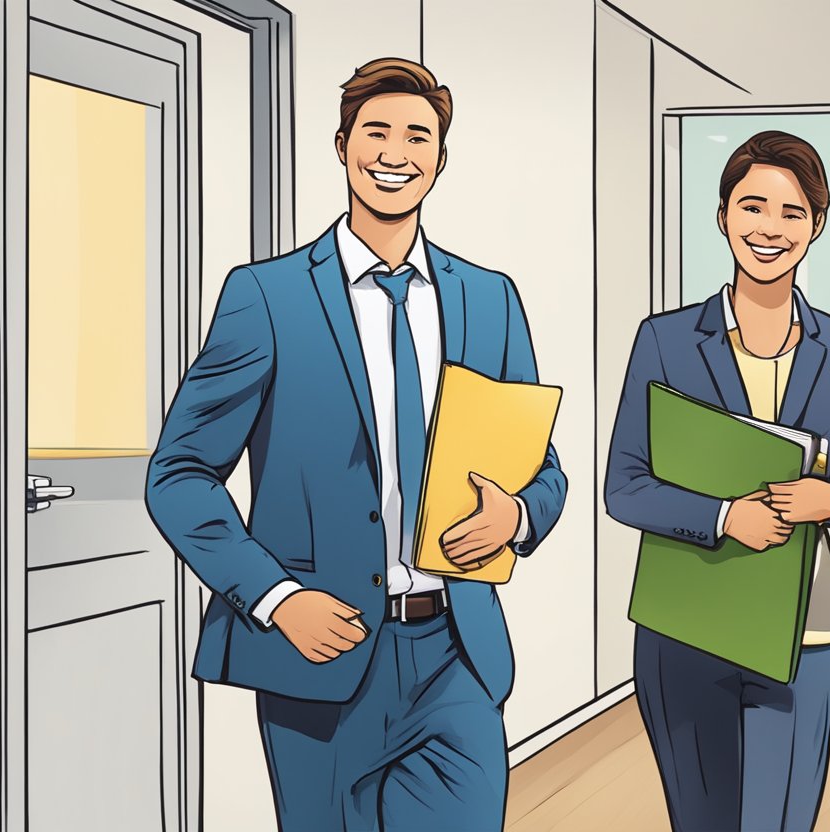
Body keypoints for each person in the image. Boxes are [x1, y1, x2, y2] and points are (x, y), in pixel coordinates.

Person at [145, 57, 566, 831]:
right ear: (342, 146)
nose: (395, 152)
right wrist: (276, 599)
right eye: (376, 132)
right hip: (320, 654)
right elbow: (180, 473)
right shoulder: (265, 296)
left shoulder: (490, 298)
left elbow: (544, 469)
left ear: (441, 159)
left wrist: (519, 517)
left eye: (417, 135)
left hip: (456, 654)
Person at [605, 130, 830, 831]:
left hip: (802, 638)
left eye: (792, 213)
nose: (770, 229)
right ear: (723, 215)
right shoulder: (664, 340)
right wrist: (725, 516)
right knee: (701, 821)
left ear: (817, 225)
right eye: (752, 206)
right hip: (687, 631)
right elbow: (625, 485)